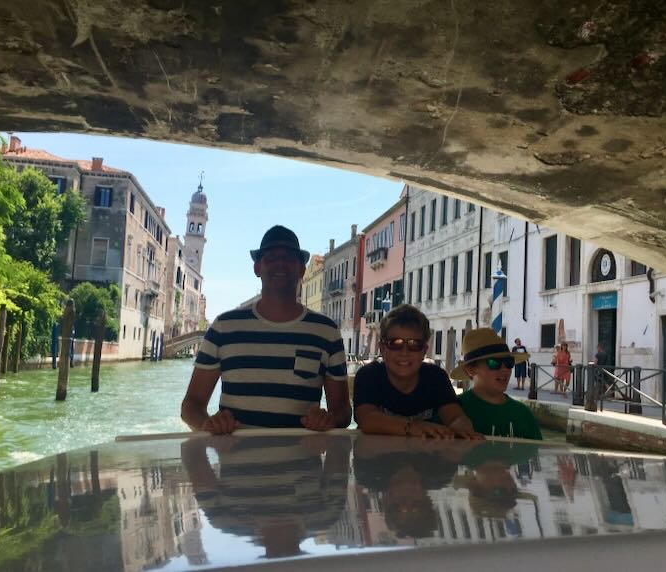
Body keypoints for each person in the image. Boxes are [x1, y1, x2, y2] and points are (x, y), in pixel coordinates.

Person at [181, 225, 352, 433]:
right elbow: (191, 406)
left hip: (303, 466)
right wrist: (208, 424)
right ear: (257, 268)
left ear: (301, 269)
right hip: (236, 464)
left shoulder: (327, 332)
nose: (280, 263)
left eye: (289, 257)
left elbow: (343, 411)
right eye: (271, 258)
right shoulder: (223, 329)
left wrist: (328, 420)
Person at [181, 433, 351, 559]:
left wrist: (210, 434)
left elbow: (191, 450)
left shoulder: (225, 519)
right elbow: (341, 444)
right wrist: (324, 434)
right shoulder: (326, 514)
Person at [353, 304, 482, 439]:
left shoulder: (435, 377)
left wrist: (461, 427)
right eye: (395, 343)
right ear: (382, 348)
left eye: (414, 345)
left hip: (423, 457)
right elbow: (367, 420)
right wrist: (412, 426)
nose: (404, 352)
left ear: (424, 351)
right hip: (374, 455)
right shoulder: (369, 375)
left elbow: (455, 417)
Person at [450, 328, 542, 440]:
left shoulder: (523, 414)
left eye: (509, 362)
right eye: (494, 363)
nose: (505, 369)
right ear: (470, 369)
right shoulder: (452, 411)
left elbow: (535, 455)